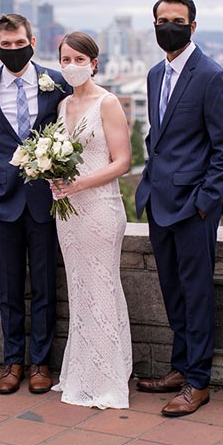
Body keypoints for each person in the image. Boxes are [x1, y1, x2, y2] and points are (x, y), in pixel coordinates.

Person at [135, 0, 223, 416]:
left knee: (196, 294)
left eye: (177, 21)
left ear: (193, 27)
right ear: (154, 25)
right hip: (159, 203)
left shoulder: (211, 76)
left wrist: (205, 202)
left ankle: (198, 381)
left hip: (194, 209)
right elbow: (157, 137)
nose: (169, 27)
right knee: (172, 291)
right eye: (162, 20)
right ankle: (180, 367)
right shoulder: (154, 75)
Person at [0, 14, 69, 395]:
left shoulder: (56, 84)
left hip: (44, 201)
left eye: (18, 43)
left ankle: (40, 363)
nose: (12, 49)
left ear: (32, 41)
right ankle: (12, 362)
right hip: (1, 203)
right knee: (9, 287)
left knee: (44, 285)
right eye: (5, 45)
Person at [48, 32, 133, 409]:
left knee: (101, 286)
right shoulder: (63, 105)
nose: (72, 66)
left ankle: (108, 377)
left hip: (100, 207)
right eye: (66, 59)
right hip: (68, 214)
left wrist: (79, 182)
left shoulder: (108, 102)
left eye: (80, 59)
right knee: (79, 288)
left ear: (94, 63)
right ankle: (82, 371)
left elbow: (122, 162)